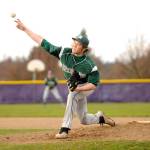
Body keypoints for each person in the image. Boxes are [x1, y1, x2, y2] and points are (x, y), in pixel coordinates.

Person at [15, 19, 115, 139]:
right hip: (76, 87)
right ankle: (101, 117)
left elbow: (94, 84)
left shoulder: (89, 64)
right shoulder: (64, 53)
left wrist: (78, 88)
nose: (74, 45)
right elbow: (42, 42)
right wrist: (25, 29)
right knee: (83, 119)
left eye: (77, 44)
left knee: (72, 95)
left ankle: (64, 129)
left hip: (87, 86)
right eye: (73, 42)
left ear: (84, 49)